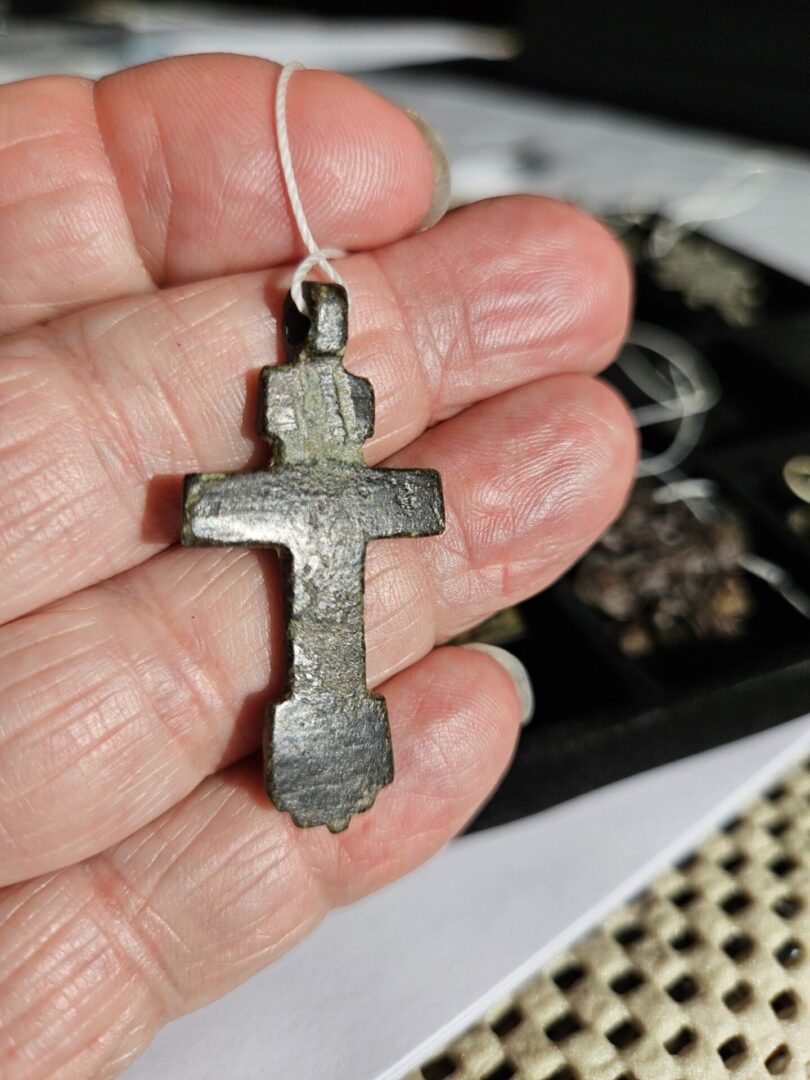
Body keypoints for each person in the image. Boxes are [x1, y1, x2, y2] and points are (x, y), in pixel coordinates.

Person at [0, 55, 636, 1078]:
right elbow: (213, 504)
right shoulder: (327, 490)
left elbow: (381, 499)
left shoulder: (388, 493)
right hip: (315, 696)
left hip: (328, 704)